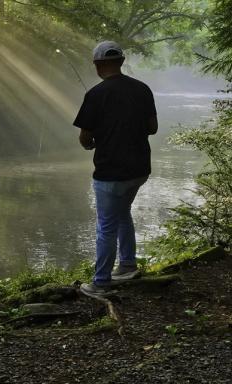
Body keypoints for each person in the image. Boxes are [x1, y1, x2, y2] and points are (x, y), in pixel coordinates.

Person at [73, 41, 158, 295]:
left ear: (98, 65)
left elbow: (85, 139)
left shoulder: (95, 94)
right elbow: (152, 128)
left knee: (106, 226)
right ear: (121, 62)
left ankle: (100, 283)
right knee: (122, 214)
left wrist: (93, 144)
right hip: (139, 170)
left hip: (110, 172)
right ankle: (128, 265)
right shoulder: (143, 89)